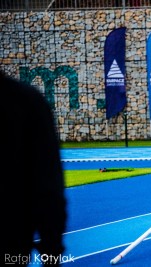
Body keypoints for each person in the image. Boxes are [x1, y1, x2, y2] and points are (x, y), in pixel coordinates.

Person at [0, 70, 67, 266]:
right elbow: (48, 183)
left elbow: (47, 181)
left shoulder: (25, 101)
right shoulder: (25, 100)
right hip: (12, 235)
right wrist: (52, 251)